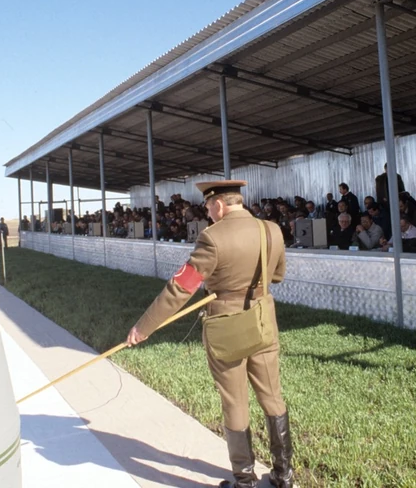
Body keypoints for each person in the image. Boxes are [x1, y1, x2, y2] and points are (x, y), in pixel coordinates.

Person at [126, 180, 294, 488]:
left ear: (218, 204)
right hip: (263, 321)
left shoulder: (211, 238)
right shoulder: (271, 229)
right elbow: (278, 275)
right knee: (272, 396)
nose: (207, 212)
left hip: (227, 327)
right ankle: (284, 476)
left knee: (235, 402)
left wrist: (144, 326)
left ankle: (245, 481)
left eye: (207, 206)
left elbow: (180, 288)